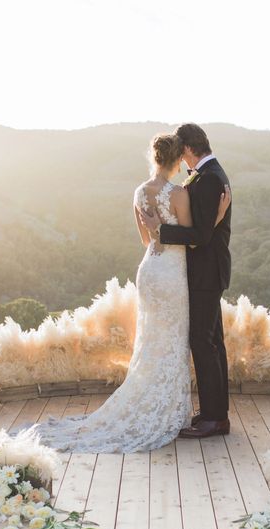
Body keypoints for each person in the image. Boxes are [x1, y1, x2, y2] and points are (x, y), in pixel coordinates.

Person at [25, 131, 230, 453]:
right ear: (178, 159)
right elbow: (194, 238)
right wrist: (217, 217)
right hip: (173, 274)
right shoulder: (178, 193)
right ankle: (170, 409)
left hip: (149, 270)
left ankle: (151, 403)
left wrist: (158, 229)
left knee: (152, 341)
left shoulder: (138, 192)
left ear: (154, 157)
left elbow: (147, 241)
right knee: (175, 341)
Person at [140, 123, 232, 439]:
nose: (181, 158)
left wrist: (160, 230)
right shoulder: (206, 175)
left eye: (182, 152)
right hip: (205, 271)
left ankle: (215, 418)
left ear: (189, 150)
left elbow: (202, 236)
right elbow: (206, 228)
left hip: (205, 272)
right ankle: (215, 413)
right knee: (212, 342)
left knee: (203, 342)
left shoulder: (208, 179)